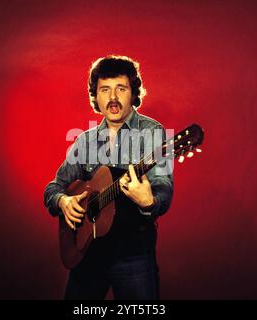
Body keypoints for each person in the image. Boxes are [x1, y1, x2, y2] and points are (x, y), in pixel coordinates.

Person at [44, 55, 173, 300]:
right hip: (88, 253)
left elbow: (163, 186)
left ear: (133, 93)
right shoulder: (85, 140)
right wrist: (63, 201)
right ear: (96, 96)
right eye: (105, 90)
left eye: (120, 89)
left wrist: (149, 202)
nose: (112, 98)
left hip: (133, 253)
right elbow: (53, 188)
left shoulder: (152, 132)